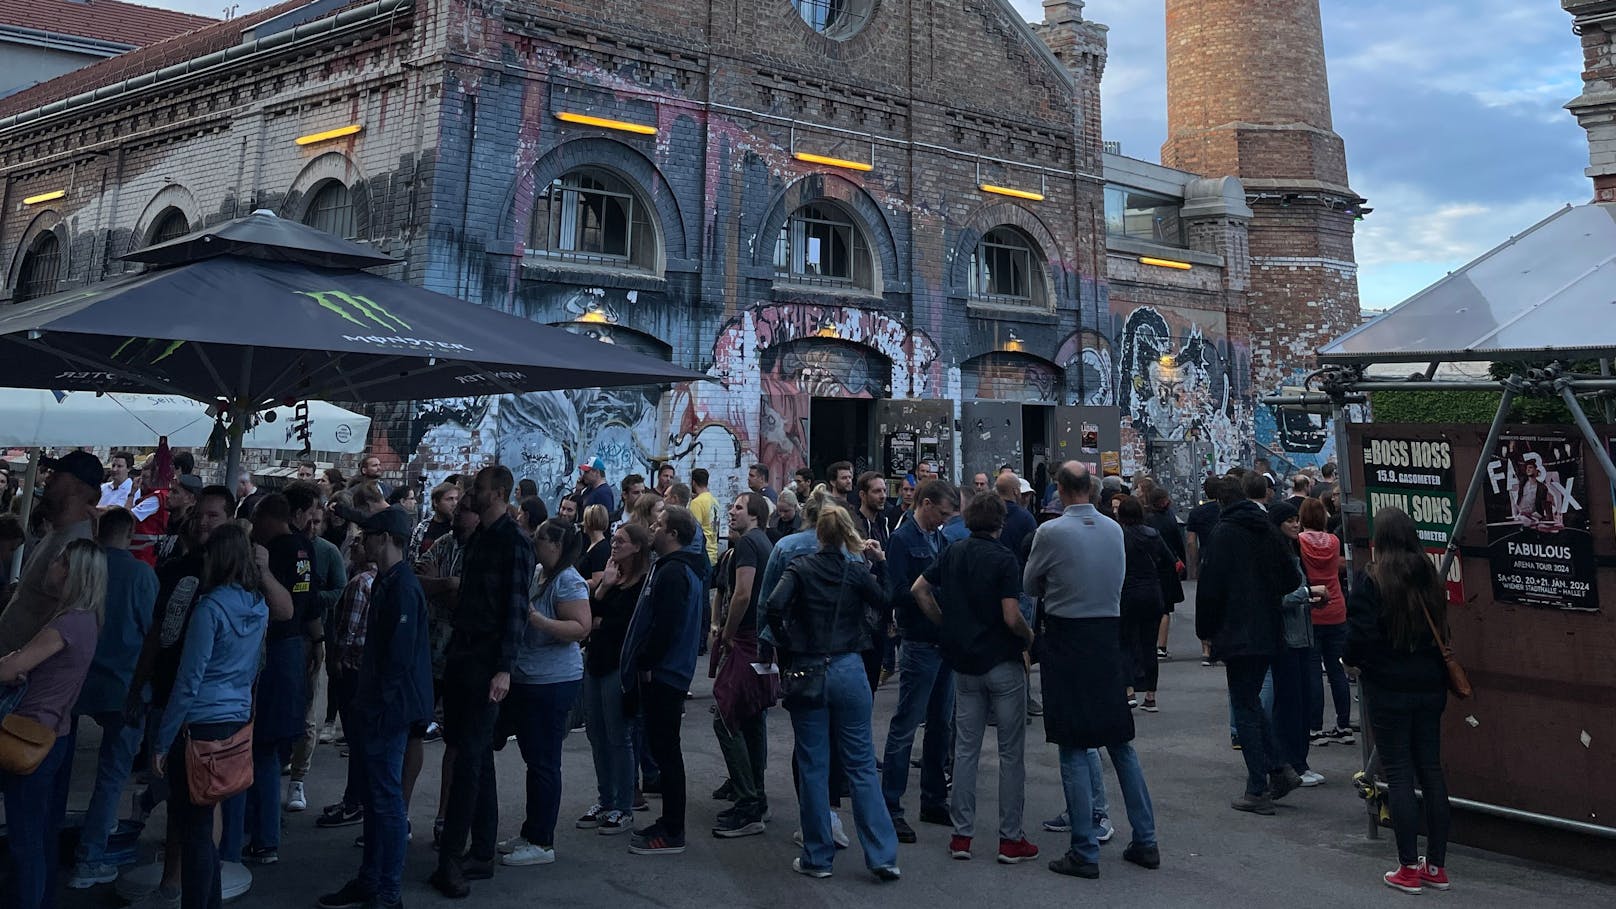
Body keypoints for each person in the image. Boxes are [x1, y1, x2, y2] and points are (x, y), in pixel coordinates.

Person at [1024, 462, 1159, 879]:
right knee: (1120, 742)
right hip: (1107, 634)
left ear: (1061, 490)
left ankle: (1084, 847)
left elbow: (1030, 583)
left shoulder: (1051, 532)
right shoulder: (1113, 529)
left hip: (1068, 636)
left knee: (1072, 743)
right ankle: (1146, 838)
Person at [123, 486, 243, 909]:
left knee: (199, 807)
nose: (202, 522)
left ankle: (192, 889)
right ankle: (181, 884)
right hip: (174, 697)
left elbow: (196, 674)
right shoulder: (176, 569)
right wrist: (140, 684)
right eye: (200, 515)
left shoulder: (231, 592)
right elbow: (157, 633)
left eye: (213, 516)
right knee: (183, 802)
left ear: (230, 520)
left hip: (201, 710)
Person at [765, 507, 901, 882]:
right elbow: (887, 599)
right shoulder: (855, 571)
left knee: (813, 764)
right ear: (845, 536)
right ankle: (882, 855)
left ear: (817, 534)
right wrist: (881, 562)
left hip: (809, 665)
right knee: (860, 764)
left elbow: (774, 605)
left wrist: (787, 640)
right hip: (848, 665)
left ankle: (818, 856)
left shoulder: (800, 567)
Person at [911, 493, 1037, 864]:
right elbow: (1012, 616)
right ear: (1000, 523)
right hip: (1002, 660)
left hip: (963, 661)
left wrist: (943, 622)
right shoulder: (1004, 559)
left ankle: (961, 835)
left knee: (965, 750)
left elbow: (919, 588)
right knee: (1011, 753)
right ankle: (1010, 838)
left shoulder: (953, 552)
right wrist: (1029, 639)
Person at [317, 507, 432, 909]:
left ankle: (386, 892)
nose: (360, 540)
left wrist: (377, 707)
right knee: (379, 800)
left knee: (386, 803)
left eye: (367, 534)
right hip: (379, 706)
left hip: (388, 711)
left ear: (385, 538)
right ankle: (372, 882)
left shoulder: (401, 587)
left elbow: (397, 660)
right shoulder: (387, 581)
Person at [152, 524, 268, 909]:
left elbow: (189, 680)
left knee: (195, 831)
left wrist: (162, 740)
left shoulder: (209, 609)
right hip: (235, 718)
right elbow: (253, 669)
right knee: (205, 827)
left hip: (198, 723)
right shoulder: (259, 606)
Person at [432, 466, 532, 898]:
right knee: (474, 756)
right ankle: (481, 851)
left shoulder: (513, 543)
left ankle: (453, 856)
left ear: (499, 494)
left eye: (478, 488)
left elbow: (515, 609)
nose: (470, 493)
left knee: (470, 759)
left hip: (486, 661)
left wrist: (504, 668)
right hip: (464, 655)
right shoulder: (478, 540)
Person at [1346, 507, 1453, 894]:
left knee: (1399, 772)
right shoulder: (1428, 576)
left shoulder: (1372, 579)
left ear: (1381, 539)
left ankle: (1407, 867)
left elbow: (1360, 638)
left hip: (1388, 687)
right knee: (1432, 770)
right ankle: (1436, 865)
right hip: (1430, 686)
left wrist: (1354, 661)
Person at [0, 539, 106, 909]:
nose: (52, 565)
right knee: (36, 833)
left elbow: (11, 668)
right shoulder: (87, 620)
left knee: (25, 838)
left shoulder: (66, 623)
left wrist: (11, 663)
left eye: (60, 561)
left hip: (27, 734)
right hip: (52, 734)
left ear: (73, 572)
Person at [1196, 472, 1303, 814]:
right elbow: (1289, 577)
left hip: (1237, 629)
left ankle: (1259, 785)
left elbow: (1210, 586)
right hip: (1267, 627)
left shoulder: (1224, 533)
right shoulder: (1267, 529)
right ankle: (1278, 768)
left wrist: (1206, 631)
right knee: (1251, 701)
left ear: (1220, 502)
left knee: (1244, 705)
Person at [67, 509, 158, 888]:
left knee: (56, 766)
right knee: (111, 775)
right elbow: (154, 630)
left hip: (75, 682)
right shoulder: (140, 574)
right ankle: (89, 857)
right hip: (126, 685)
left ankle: (51, 839)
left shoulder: (82, 568)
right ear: (131, 533)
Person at [500, 519, 590, 867]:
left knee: (544, 762)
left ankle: (541, 841)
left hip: (553, 682)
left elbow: (580, 628)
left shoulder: (568, 580)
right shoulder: (540, 572)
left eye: (540, 539)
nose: (534, 543)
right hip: (529, 677)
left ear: (556, 545)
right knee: (534, 760)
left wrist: (535, 618)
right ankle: (530, 832)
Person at [619, 506, 707, 855]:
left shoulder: (675, 573)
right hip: (668, 670)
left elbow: (666, 626)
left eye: (658, 525)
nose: (652, 529)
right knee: (663, 748)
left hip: (666, 673)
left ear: (673, 535)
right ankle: (669, 822)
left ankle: (673, 831)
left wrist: (646, 662)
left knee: (667, 751)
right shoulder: (678, 569)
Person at [880, 479, 960, 843]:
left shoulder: (938, 537)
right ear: (925, 504)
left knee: (941, 724)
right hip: (919, 640)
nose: (942, 521)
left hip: (941, 642)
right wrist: (929, 600)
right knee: (907, 724)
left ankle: (933, 798)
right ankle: (890, 806)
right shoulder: (904, 539)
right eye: (941, 514)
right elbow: (896, 591)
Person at [244, 493, 317, 863]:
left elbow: (283, 608)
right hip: (294, 648)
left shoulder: (276, 552)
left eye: (256, 520)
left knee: (260, 746)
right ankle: (263, 831)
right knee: (268, 748)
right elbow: (312, 602)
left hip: (275, 649)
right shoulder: (305, 547)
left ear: (265, 517)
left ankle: (262, 834)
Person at [579, 523, 651, 836]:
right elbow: (589, 617)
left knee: (618, 734)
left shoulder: (642, 584)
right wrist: (604, 588)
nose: (614, 545)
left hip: (619, 667)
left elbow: (622, 626)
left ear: (637, 547)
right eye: (613, 540)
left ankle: (623, 806)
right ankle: (604, 799)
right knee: (596, 732)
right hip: (595, 661)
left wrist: (599, 620)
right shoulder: (613, 578)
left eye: (620, 541)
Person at [710, 493, 775, 838]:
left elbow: (742, 593)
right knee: (752, 717)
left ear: (754, 515)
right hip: (761, 640)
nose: (732, 512)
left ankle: (749, 801)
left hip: (747, 639)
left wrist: (727, 634)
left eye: (738, 507)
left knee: (726, 718)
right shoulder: (763, 541)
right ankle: (756, 795)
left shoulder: (750, 542)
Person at [419, 500, 479, 847]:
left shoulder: (482, 550)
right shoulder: (443, 543)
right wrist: (446, 584)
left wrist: (440, 587)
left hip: (459, 655)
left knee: (455, 742)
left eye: (463, 511)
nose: (457, 516)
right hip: (429, 651)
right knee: (413, 730)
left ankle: (446, 817)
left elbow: (466, 598)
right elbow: (419, 579)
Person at [0, 450, 101, 653]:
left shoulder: (75, 546)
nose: (48, 477)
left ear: (77, 486)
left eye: (57, 473)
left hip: (17, 671)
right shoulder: (60, 532)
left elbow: (64, 618)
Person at [1270, 501, 1324, 787]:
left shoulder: (1292, 551)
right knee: (1291, 704)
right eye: (1289, 520)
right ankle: (1292, 763)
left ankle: (1298, 761)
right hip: (1289, 638)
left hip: (1302, 634)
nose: (1296, 525)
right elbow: (1277, 599)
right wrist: (1306, 593)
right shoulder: (1279, 555)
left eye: (1296, 520)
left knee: (1302, 701)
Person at [1299, 498, 1353, 746]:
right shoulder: (1334, 541)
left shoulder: (1299, 542)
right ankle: (1344, 725)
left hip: (1311, 607)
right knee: (1336, 669)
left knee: (1312, 671)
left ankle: (1315, 728)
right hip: (1336, 606)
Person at [1116, 497, 1176, 713]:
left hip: (1127, 592)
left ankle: (1129, 690)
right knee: (1149, 645)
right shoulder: (1153, 535)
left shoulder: (1119, 536)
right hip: (1151, 592)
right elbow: (1170, 560)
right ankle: (1151, 696)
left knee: (1124, 642)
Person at [686, 468, 720, 567]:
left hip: (701, 555)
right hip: (713, 553)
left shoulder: (697, 503)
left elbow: (694, 531)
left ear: (693, 482)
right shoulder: (715, 502)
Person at [578, 505, 612, 583]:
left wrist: (574, 584)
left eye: (585, 520)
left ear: (589, 522)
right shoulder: (592, 544)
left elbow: (596, 581)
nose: (583, 524)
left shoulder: (601, 549)